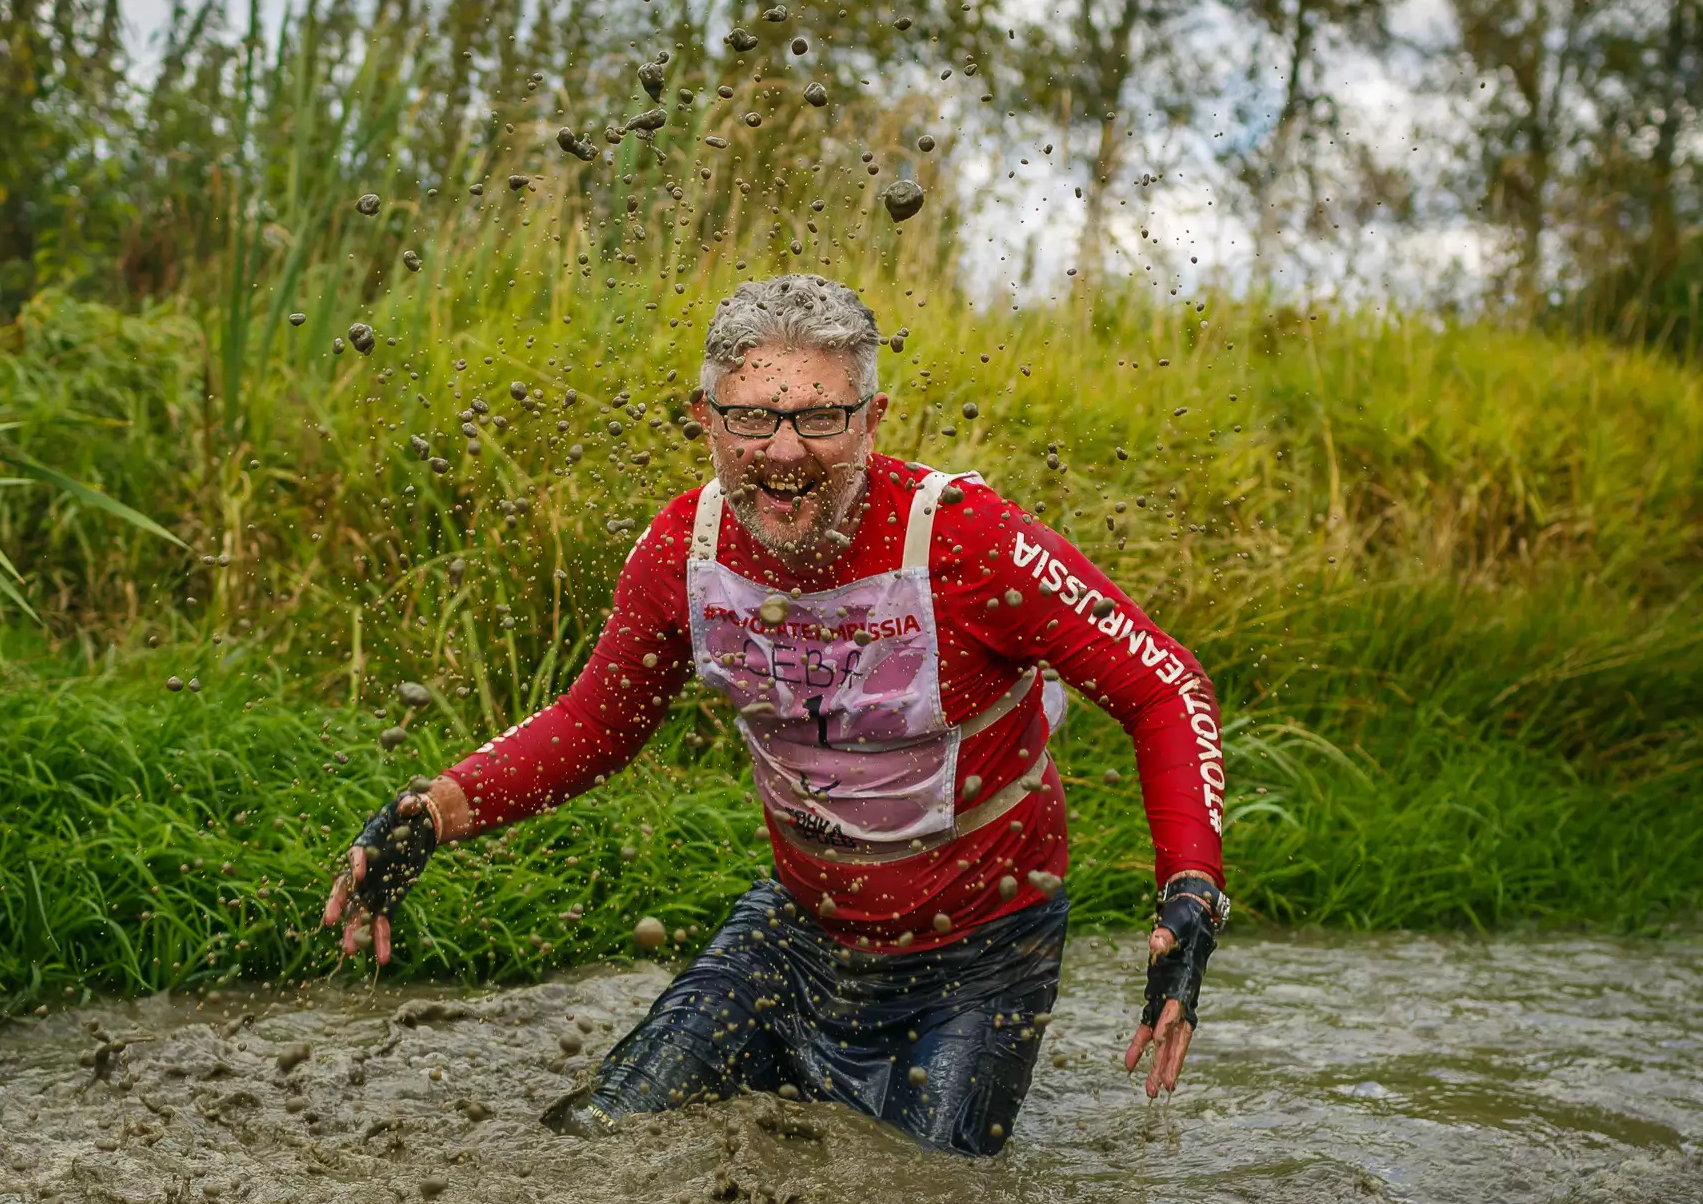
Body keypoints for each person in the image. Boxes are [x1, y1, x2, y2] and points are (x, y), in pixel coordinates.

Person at [323, 276, 1230, 1157]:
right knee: (599, 1145)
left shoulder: (968, 541)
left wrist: (1190, 889)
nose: (784, 453)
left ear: (871, 423)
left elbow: (1165, 687)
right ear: (707, 419)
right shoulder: (685, 551)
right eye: (753, 417)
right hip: (797, 934)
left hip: (978, 960)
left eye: (820, 418)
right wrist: (434, 812)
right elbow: (597, 724)